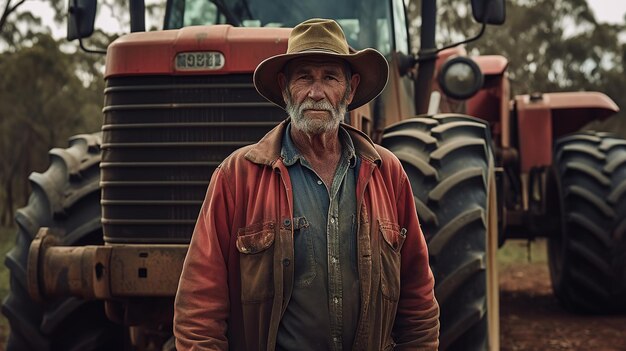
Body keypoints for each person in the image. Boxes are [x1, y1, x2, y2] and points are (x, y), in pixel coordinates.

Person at [173, 18, 440, 350]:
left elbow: (418, 303)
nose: (317, 92)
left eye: (330, 77)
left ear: (351, 88)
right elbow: (199, 309)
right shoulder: (236, 177)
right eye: (304, 77)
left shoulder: (387, 174)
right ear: (285, 87)